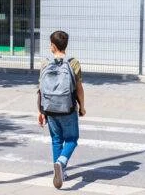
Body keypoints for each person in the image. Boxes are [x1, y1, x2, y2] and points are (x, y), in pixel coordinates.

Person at [37, 30, 86, 189]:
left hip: (50, 109)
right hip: (68, 108)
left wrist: (40, 111)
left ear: (53, 46)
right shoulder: (73, 63)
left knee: (56, 139)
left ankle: (60, 171)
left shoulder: (45, 63)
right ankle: (61, 162)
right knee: (72, 139)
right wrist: (82, 107)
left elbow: (41, 89)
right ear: (65, 45)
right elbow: (79, 88)